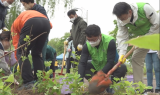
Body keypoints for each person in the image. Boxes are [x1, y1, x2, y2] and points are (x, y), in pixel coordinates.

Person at [112, 2, 159, 86]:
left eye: (123, 18)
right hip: (143, 37)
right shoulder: (120, 20)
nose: (122, 20)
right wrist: (122, 54)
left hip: (157, 33)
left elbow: (157, 24)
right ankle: (140, 89)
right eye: (120, 18)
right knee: (136, 58)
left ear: (130, 12)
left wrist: (144, 39)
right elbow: (122, 37)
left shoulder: (145, 8)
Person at [78, 24, 127, 93]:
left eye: (93, 40)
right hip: (96, 66)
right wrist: (80, 81)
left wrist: (99, 76)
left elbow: (110, 61)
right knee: (84, 66)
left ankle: (110, 86)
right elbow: (82, 63)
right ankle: (97, 85)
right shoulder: (87, 45)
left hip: (109, 67)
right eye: (89, 40)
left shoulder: (110, 41)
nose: (91, 42)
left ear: (100, 36)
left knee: (122, 67)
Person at [11, 10, 52, 90]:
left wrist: (19, 61)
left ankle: (28, 82)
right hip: (47, 23)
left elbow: (17, 45)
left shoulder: (14, 28)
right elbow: (51, 25)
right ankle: (39, 81)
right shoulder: (23, 18)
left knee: (22, 53)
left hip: (31, 22)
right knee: (37, 53)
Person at [20, 0, 49, 69]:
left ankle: (44, 75)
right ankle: (36, 75)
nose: (23, 7)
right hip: (33, 36)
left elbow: (44, 23)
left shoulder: (39, 9)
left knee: (40, 55)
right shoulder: (28, 11)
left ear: (28, 3)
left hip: (41, 36)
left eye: (24, 4)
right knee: (34, 54)